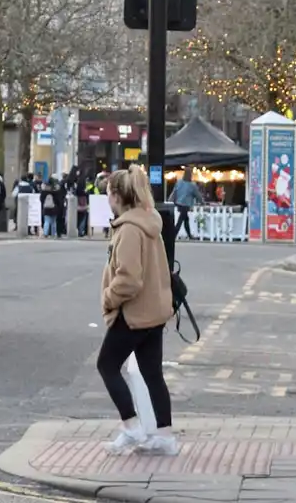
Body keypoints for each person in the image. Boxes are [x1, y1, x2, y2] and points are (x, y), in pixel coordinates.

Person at [96, 169, 178, 456]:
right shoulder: (150, 223)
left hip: (134, 314)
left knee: (106, 365)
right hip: (154, 312)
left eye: (108, 193)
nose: (107, 198)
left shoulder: (130, 229)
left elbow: (129, 278)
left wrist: (108, 297)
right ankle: (165, 436)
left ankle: (131, 427)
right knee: (152, 373)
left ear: (117, 196)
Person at [170, 175, 200, 241]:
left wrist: (172, 199)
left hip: (179, 203)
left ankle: (189, 235)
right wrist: (202, 201)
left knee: (186, 219)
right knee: (180, 221)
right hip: (186, 204)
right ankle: (173, 235)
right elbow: (197, 194)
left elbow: (175, 191)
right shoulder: (191, 185)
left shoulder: (179, 182)